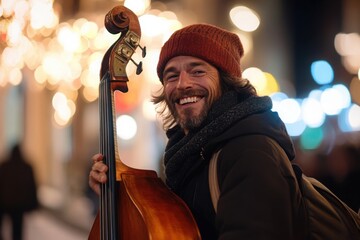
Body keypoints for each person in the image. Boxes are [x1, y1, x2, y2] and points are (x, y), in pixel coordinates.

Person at [89, 23, 304, 239]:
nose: (183, 84)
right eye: (171, 76)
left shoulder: (251, 152)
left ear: (227, 81)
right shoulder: (189, 155)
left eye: (197, 71)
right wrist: (117, 200)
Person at [0, 144, 38, 240]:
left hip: (6, 202)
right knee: (18, 230)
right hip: (19, 204)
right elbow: (32, 186)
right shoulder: (26, 167)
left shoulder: (5, 166)